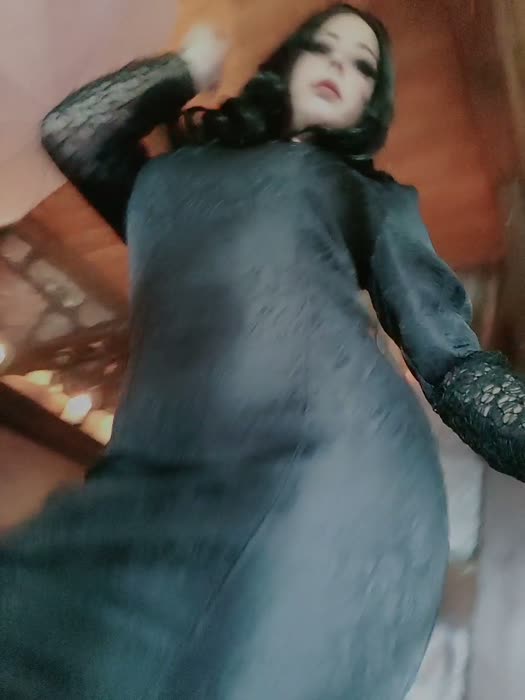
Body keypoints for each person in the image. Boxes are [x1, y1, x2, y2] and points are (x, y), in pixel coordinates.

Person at [1, 4, 524, 699]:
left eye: (362, 66)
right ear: (288, 61)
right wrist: (188, 69)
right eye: (324, 47)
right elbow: (76, 132)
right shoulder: (178, 176)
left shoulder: (365, 193)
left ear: (369, 102)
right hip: (156, 471)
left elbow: (452, 363)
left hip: (323, 470)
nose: (339, 66)